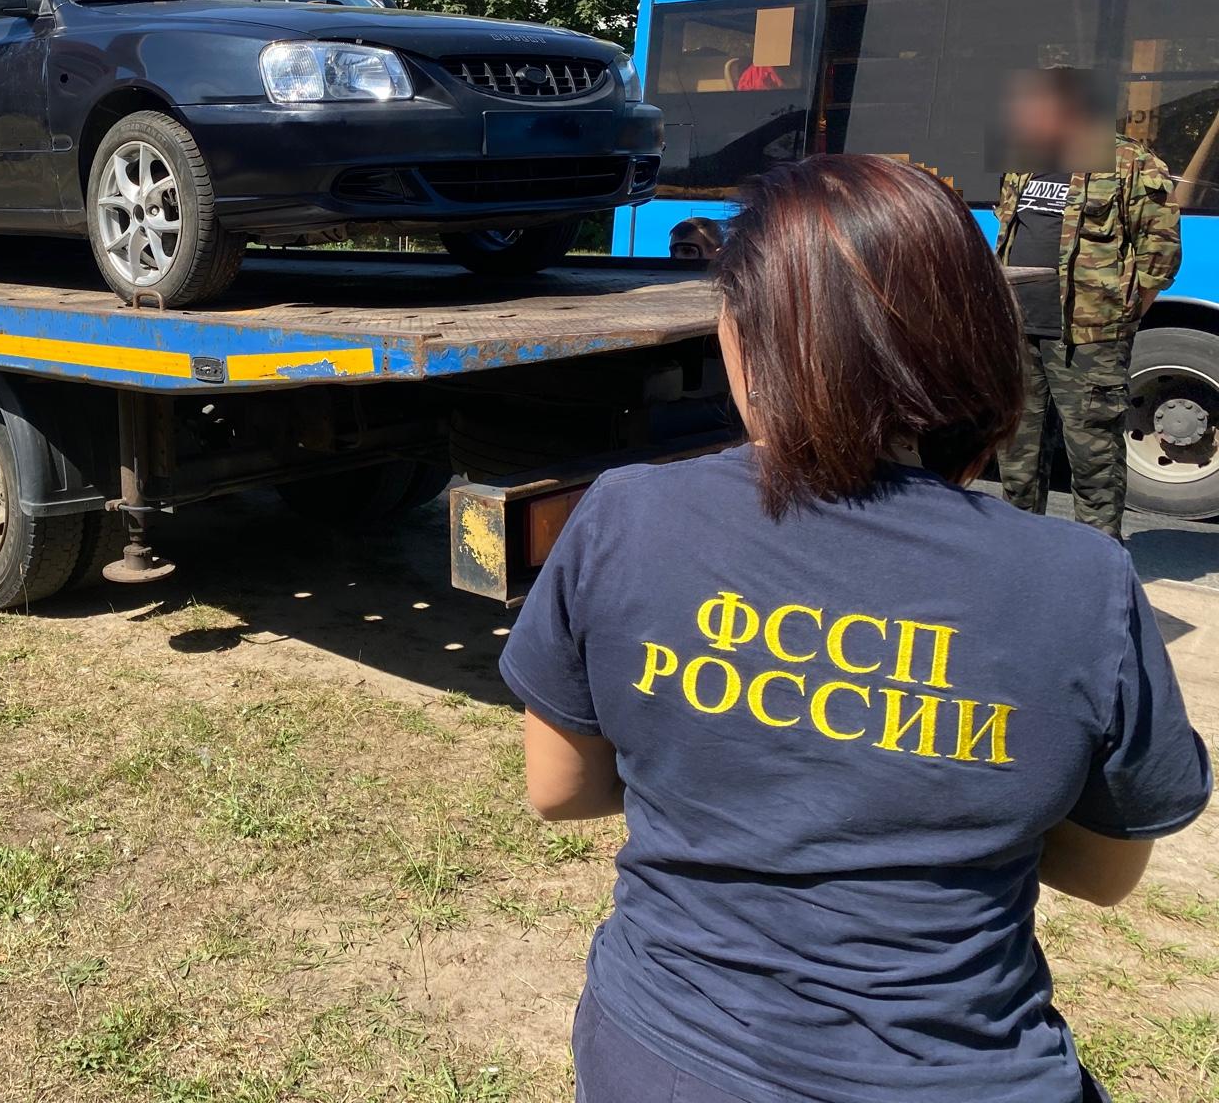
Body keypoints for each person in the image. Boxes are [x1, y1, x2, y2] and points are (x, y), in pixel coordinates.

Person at [500, 154, 1208, 1103]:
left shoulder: (624, 514)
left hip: (662, 1057)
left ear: (750, 334)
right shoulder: (1081, 579)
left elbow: (559, 790)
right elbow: (1104, 869)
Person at [995, 67, 1181, 538]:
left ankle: (1098, 560)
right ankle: (1021, 553)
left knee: (1093, 455)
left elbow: (1158, 254)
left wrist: (1121, 316)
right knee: (1018, 455)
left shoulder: (1129, 161)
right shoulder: (1025, 159)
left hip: (1088, 336)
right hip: (1020, 328)